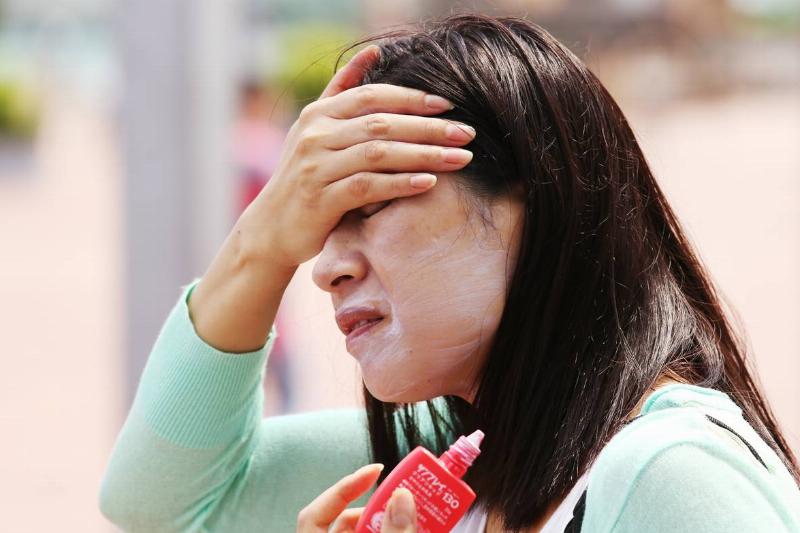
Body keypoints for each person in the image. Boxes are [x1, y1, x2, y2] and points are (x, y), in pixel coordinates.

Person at [98, 14, 800, 533]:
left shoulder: (674, 475)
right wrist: (263, 239)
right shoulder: (459, 452)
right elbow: (160, 502)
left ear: (534, 198)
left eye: (368, 207)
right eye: (316, 225)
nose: (324, 267)